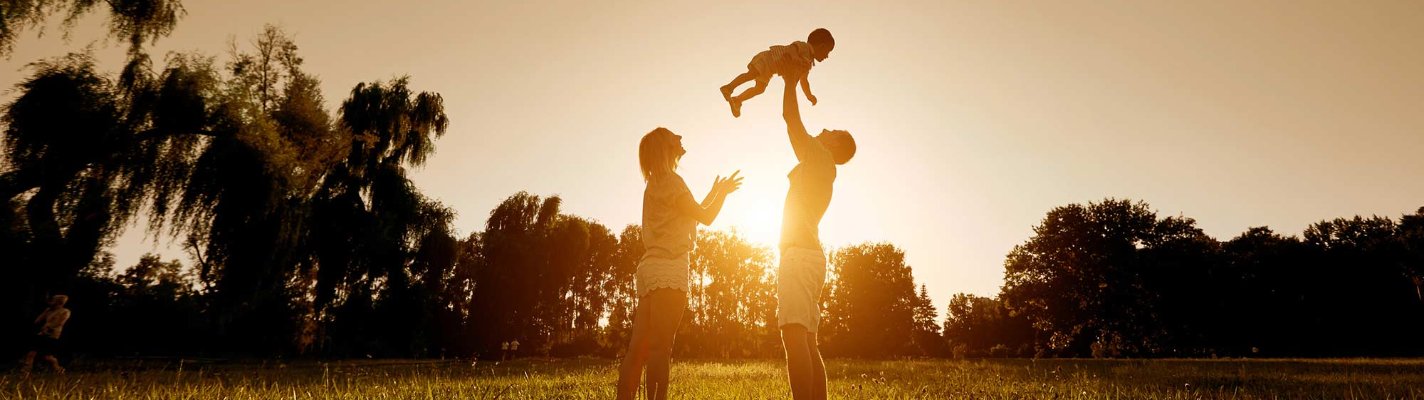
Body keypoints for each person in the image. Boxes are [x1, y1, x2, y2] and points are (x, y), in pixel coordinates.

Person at [617, 127, 742, 400]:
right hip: (670, 267)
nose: (681, 138)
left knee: (637, 348)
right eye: (675, 136)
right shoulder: (674, 183)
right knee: (661, 348)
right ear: (666, 147)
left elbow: (692, 213)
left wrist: (712, 191)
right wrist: (722, 193)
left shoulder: (654, 184)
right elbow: (706, 217)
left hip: (649, 268)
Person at [774, 71, 856, 400]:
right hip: (810, 256)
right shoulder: (822, 168)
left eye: (831, 131)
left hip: (799, 255)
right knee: (807, 340)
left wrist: (790, 82)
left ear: (835, 145)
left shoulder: (820, 157)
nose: (824, 129)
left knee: (794, 338)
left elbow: (791, 120)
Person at [720, 28, 835, 118]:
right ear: (822, 46)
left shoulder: (807, 63)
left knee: (760, 89)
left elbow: (804, 81)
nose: (827, 56)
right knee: (752, 74)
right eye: (828, 52)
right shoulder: (805, 47)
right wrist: (794, 57)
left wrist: (809, 96)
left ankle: (737, 100)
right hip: (768, 59)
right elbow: (792, 48)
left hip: (770, 70)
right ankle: (729, 87)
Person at [22, 295, 72, 376]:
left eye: (53, 300)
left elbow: (60, 322)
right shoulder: (49, 311)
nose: (50, 302)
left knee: (46, 356)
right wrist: (45, 312)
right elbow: (37, 321)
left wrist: (48, 327)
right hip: (42, 334)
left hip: (52, 336)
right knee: (34, 354)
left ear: (59, 302)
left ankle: (59, 370)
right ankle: (25, 372)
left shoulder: (65, 311)